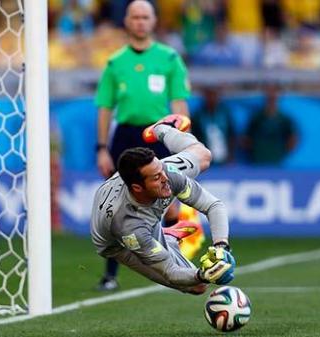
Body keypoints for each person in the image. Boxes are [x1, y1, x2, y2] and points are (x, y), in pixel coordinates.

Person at [94, 0, 202, 291]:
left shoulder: (169, 59)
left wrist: (183, 139)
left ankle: (176, 265)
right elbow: (105, 107)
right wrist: (102, 147)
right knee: (117, 207)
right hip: (126, 136)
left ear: (153, 22)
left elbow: (179, 102)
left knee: (170, 204)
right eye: (135, 17)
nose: (140, 22)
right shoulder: (115, 63)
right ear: (127, 22)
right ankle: (111, 274)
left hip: (159, 134)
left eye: (145, 17)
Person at [91, 115, 236, 293]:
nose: (165, 179)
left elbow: (214, 206)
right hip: (115, 244)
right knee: (198, 287)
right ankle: (165, 238)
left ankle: (162, 128)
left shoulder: (166, 173)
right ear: (137, 187)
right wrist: (203, 274)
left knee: (204, 156)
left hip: (143, 206)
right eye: (157, 177)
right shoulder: (130, 226)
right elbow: (171, 272)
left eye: (161, 170)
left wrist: (221, 247)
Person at [243, 83, 298, 164]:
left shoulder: (284, 119)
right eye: (269, 93)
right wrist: (255, 152)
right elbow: (245, 139)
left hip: (277, 161)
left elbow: (292, 139)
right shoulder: (257, 118)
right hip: (258, 161)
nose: (272, 96)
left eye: (274, 93)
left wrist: (282, 153)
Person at [191, 86, 236, 165]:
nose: (212, 98)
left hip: (224, 159)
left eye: (214, 95)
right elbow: (194, 137)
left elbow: (232, 135)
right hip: (205, 160)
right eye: (209, 95)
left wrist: (231, 155)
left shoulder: (225, 113)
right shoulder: (198, 115)